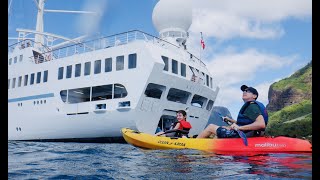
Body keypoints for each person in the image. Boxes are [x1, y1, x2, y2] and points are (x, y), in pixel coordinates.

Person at [197, 85, 268, 139]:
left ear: (254, 96)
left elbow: (261, 124)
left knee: (210, 127)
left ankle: (193, 143)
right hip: (251, 134)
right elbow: (246, 123)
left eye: (248, 91)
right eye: (244, 91)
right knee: (224, 127)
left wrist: (239, 128)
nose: (244, 92)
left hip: (243, 135)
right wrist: (230, 120)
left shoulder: (251, 106)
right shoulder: (255, 106)